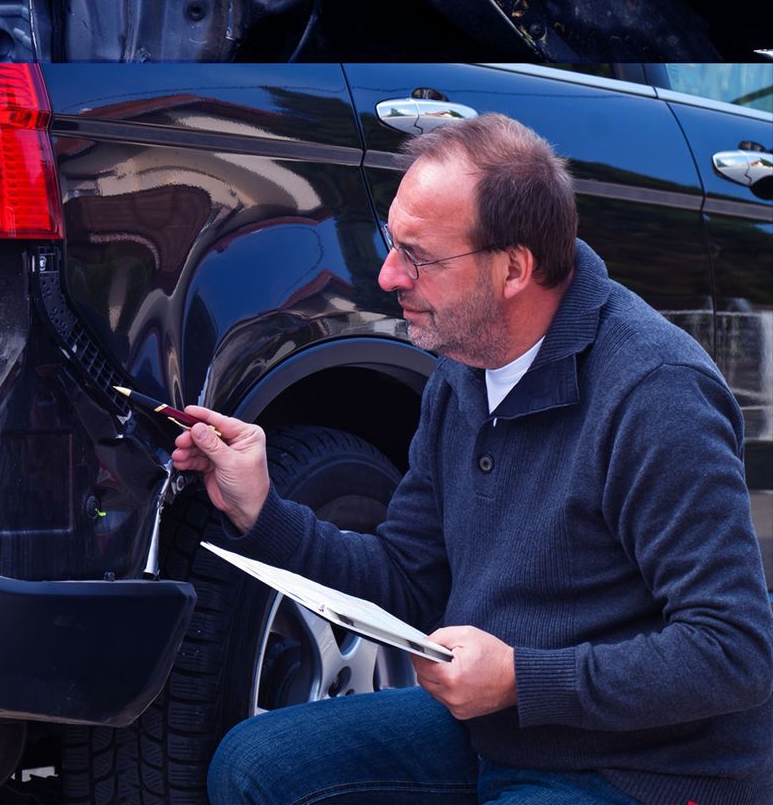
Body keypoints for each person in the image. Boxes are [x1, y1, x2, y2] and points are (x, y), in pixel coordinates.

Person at [176, 114, 773, 804]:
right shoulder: (466, 367)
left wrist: (523, 677)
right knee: (253, 766)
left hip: (647, 771)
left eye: (419, 256)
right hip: (498, 730)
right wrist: (261, 509)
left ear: (514, 267)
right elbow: (406, 580)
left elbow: (734, 653)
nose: (388, 274)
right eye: (391, 242)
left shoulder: (656, 393)